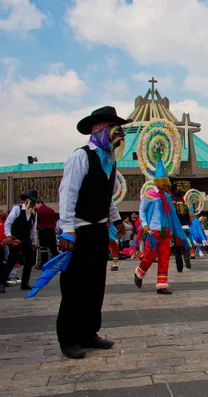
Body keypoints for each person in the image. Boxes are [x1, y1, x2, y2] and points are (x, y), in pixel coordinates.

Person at [56, 106, 128, 359]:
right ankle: (69, 339)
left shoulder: (109, 160)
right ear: (99, 129)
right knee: (75, 285)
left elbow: (106, 197)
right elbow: (68, 193)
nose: (119, 133)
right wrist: (66, 229)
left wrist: (116, 220)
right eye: (114, 128)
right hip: (79, 229)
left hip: (99, 229)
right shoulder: (81, 156)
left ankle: (89, 333)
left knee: (95, 284)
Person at [134, 157, 190, 294]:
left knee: (165, 257)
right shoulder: (149, 195)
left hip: (165, 231)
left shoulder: (166, 196)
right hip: (153, 230)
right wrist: (145, 225)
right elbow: (142, 210)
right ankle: (139, 273)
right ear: (158, 181)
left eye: (166, 183)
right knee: (150, 256)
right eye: (163, 183)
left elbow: (172, 215)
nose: (166, 186)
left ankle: (161, 284)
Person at [1, 190, 38, 292]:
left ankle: (25, 283)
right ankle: (2, 283)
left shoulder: (34, 214)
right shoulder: (17, 209)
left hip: (26, 239)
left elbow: (33, 230)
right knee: (12, 260)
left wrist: (34, 242)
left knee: (30, 261)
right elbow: (8, 223)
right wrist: (8, 235)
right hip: (16, 237)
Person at [35, 199, 58, 269]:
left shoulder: (38, 211)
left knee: (43, 248)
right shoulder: (51, 210)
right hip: (51, 230)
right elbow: (55, 219)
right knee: (53, 248)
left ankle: (44, 263)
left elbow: (36, 222)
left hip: (42, 230)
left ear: (40, 203)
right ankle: (55, 263)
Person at [173, 191, 192, 272]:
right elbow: (188, 218)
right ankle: (187, 257)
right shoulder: (185, 206)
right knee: (185, 246)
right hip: (186, 228)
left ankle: (179, 267)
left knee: (177, 249)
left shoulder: (174, 207)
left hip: (177, 230)